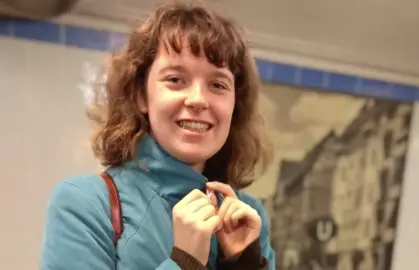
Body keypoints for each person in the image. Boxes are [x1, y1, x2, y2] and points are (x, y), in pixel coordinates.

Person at [39, 1, 275, 269]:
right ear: (141, 95)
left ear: (235, 104)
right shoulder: (84, 204)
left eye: (218, 84)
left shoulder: (248, 217)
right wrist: (184, 262)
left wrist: (243, 264)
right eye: (175, 79)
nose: (198, 99)